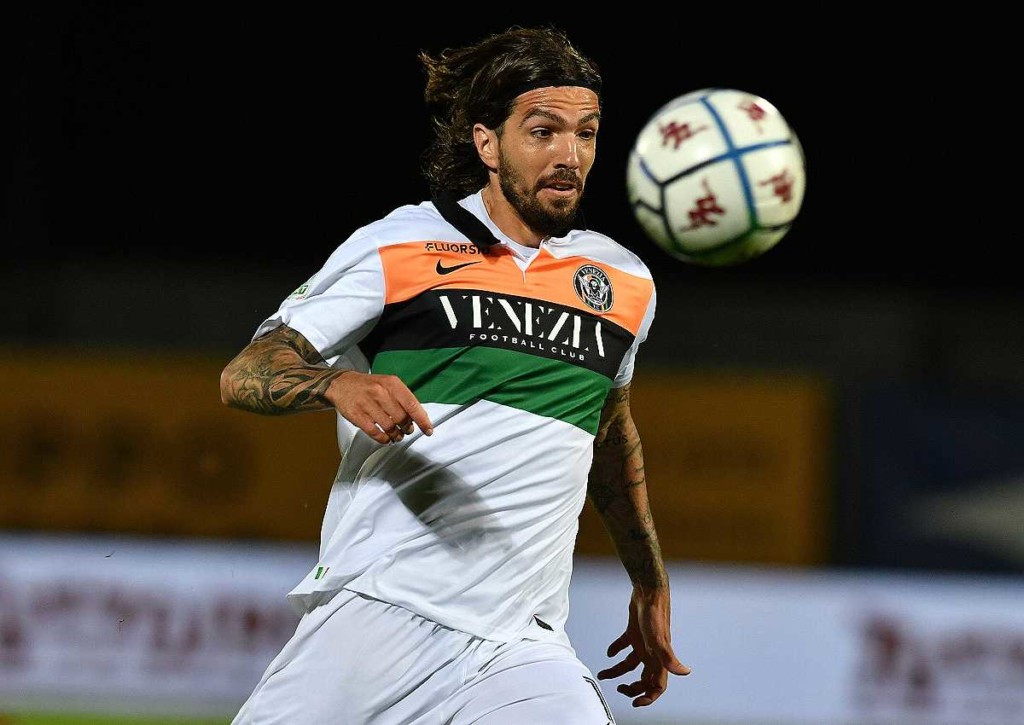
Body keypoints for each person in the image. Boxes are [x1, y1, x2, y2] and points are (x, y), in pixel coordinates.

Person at [220, 24, 689, 724]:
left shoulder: (622, 281)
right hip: (380, 612)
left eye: (586, 134)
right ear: (487, 143)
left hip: (520, 642)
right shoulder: (401, 244)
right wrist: (336, 384)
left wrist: (649, 577)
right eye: (543, 131)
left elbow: (609, 431)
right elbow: (248, 371)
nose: (569, 155)